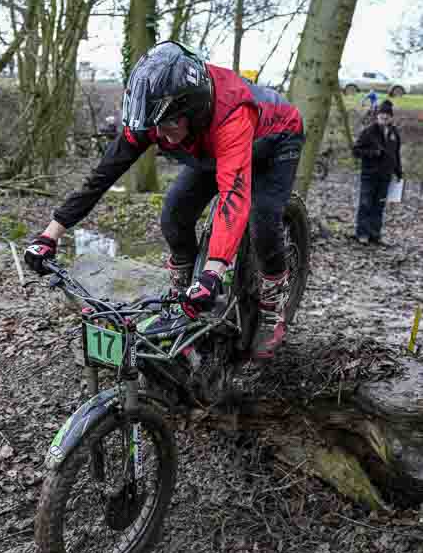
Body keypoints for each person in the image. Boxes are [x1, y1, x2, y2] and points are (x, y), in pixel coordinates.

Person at [25, 41, 305, 359]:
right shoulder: (155, 115)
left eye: (170, 126)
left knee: (263, 220)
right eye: (157, 128)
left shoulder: (231, 114)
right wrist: (50, 234)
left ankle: (272, 305)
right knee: (174, 214)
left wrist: (213, 271)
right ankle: (182, 295)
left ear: (193, 111)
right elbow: (101, 178)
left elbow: (233, 196)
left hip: (275, 139)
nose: (163, 137)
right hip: (209, 146)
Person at [353, 99, 402, 245]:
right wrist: (373, 153)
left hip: (385, 176)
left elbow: (396, 153)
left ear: (391, 117)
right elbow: (356, 151)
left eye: (387, 116)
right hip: (369, 175)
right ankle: (362, 233)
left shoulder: (394, 133)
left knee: (379, 205)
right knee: (366, 203)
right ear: (377, 116)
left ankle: (375, 234)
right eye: (382, 115)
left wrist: (398, 171)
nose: (384, 118)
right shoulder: (369, 131)